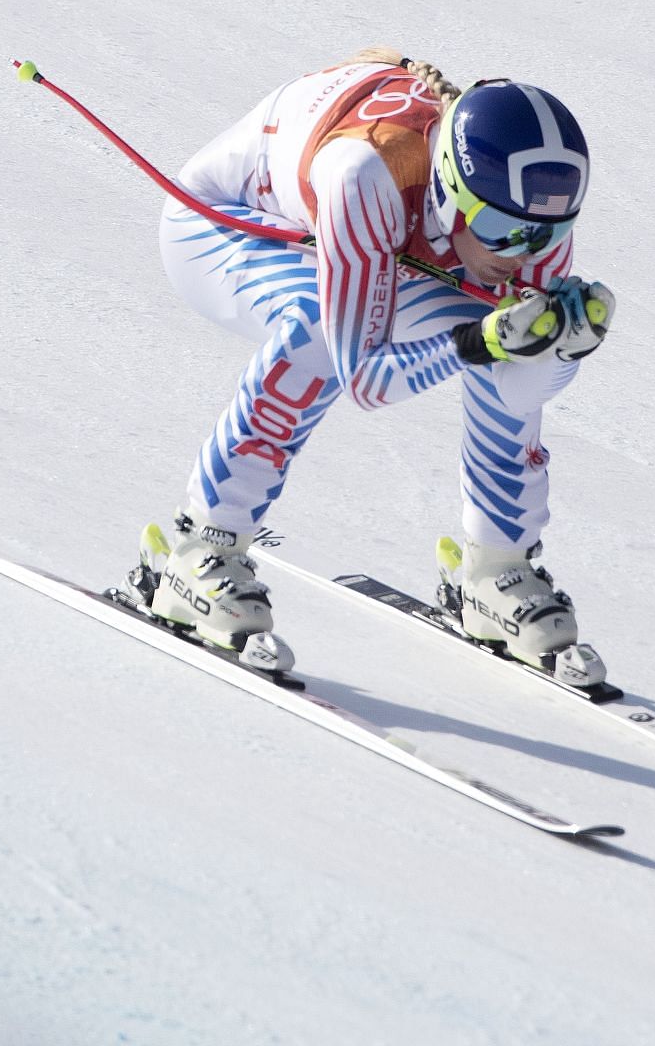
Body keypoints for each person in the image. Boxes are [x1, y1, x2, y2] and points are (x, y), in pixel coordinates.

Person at [125, 48, 616, 687]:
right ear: (451, 193)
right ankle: (201, 548)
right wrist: (472, 341)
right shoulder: (369, 175)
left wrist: (564, 351)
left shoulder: (530, 217)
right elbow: (364, 379)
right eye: (498, 229)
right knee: (316, 326)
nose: (519, 254)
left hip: (383, 242)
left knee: (515, 341)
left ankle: (498, 569)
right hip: (221, 226)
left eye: (546, 236)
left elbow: (520, 386)